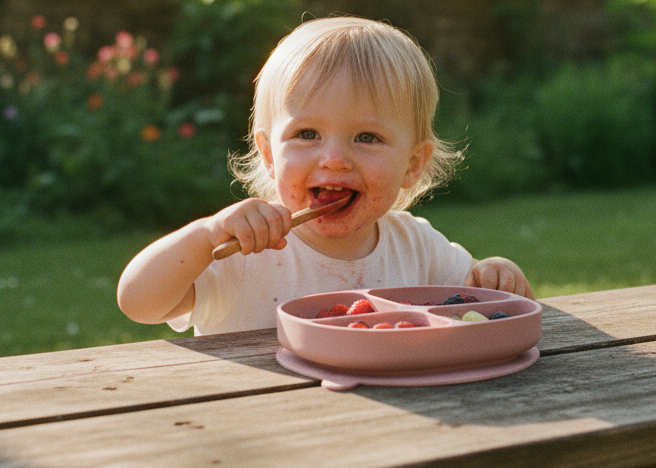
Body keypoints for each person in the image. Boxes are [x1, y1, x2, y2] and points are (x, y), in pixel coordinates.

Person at [117, 16, 534, 336]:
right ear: (268, 155)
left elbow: (481, 304)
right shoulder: (245, 248)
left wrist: (496, 275)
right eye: (307, 134)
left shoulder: (416, 246)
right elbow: (138, 303)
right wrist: (205, 234)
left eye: (367, 137)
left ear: (412, 164)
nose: (334, 159)